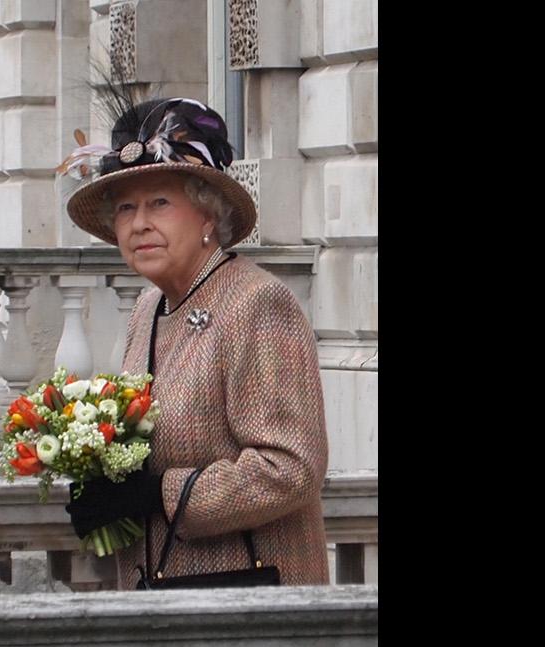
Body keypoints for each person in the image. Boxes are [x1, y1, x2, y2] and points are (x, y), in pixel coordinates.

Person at [60, 97, 330, 588]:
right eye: (125, 208)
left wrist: (160, 493)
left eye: (159, 202)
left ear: (208, 214)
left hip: (252, 609)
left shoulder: (257, 303)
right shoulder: (148, 310)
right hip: (162, 602)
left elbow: (290, 468)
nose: (139, 223)